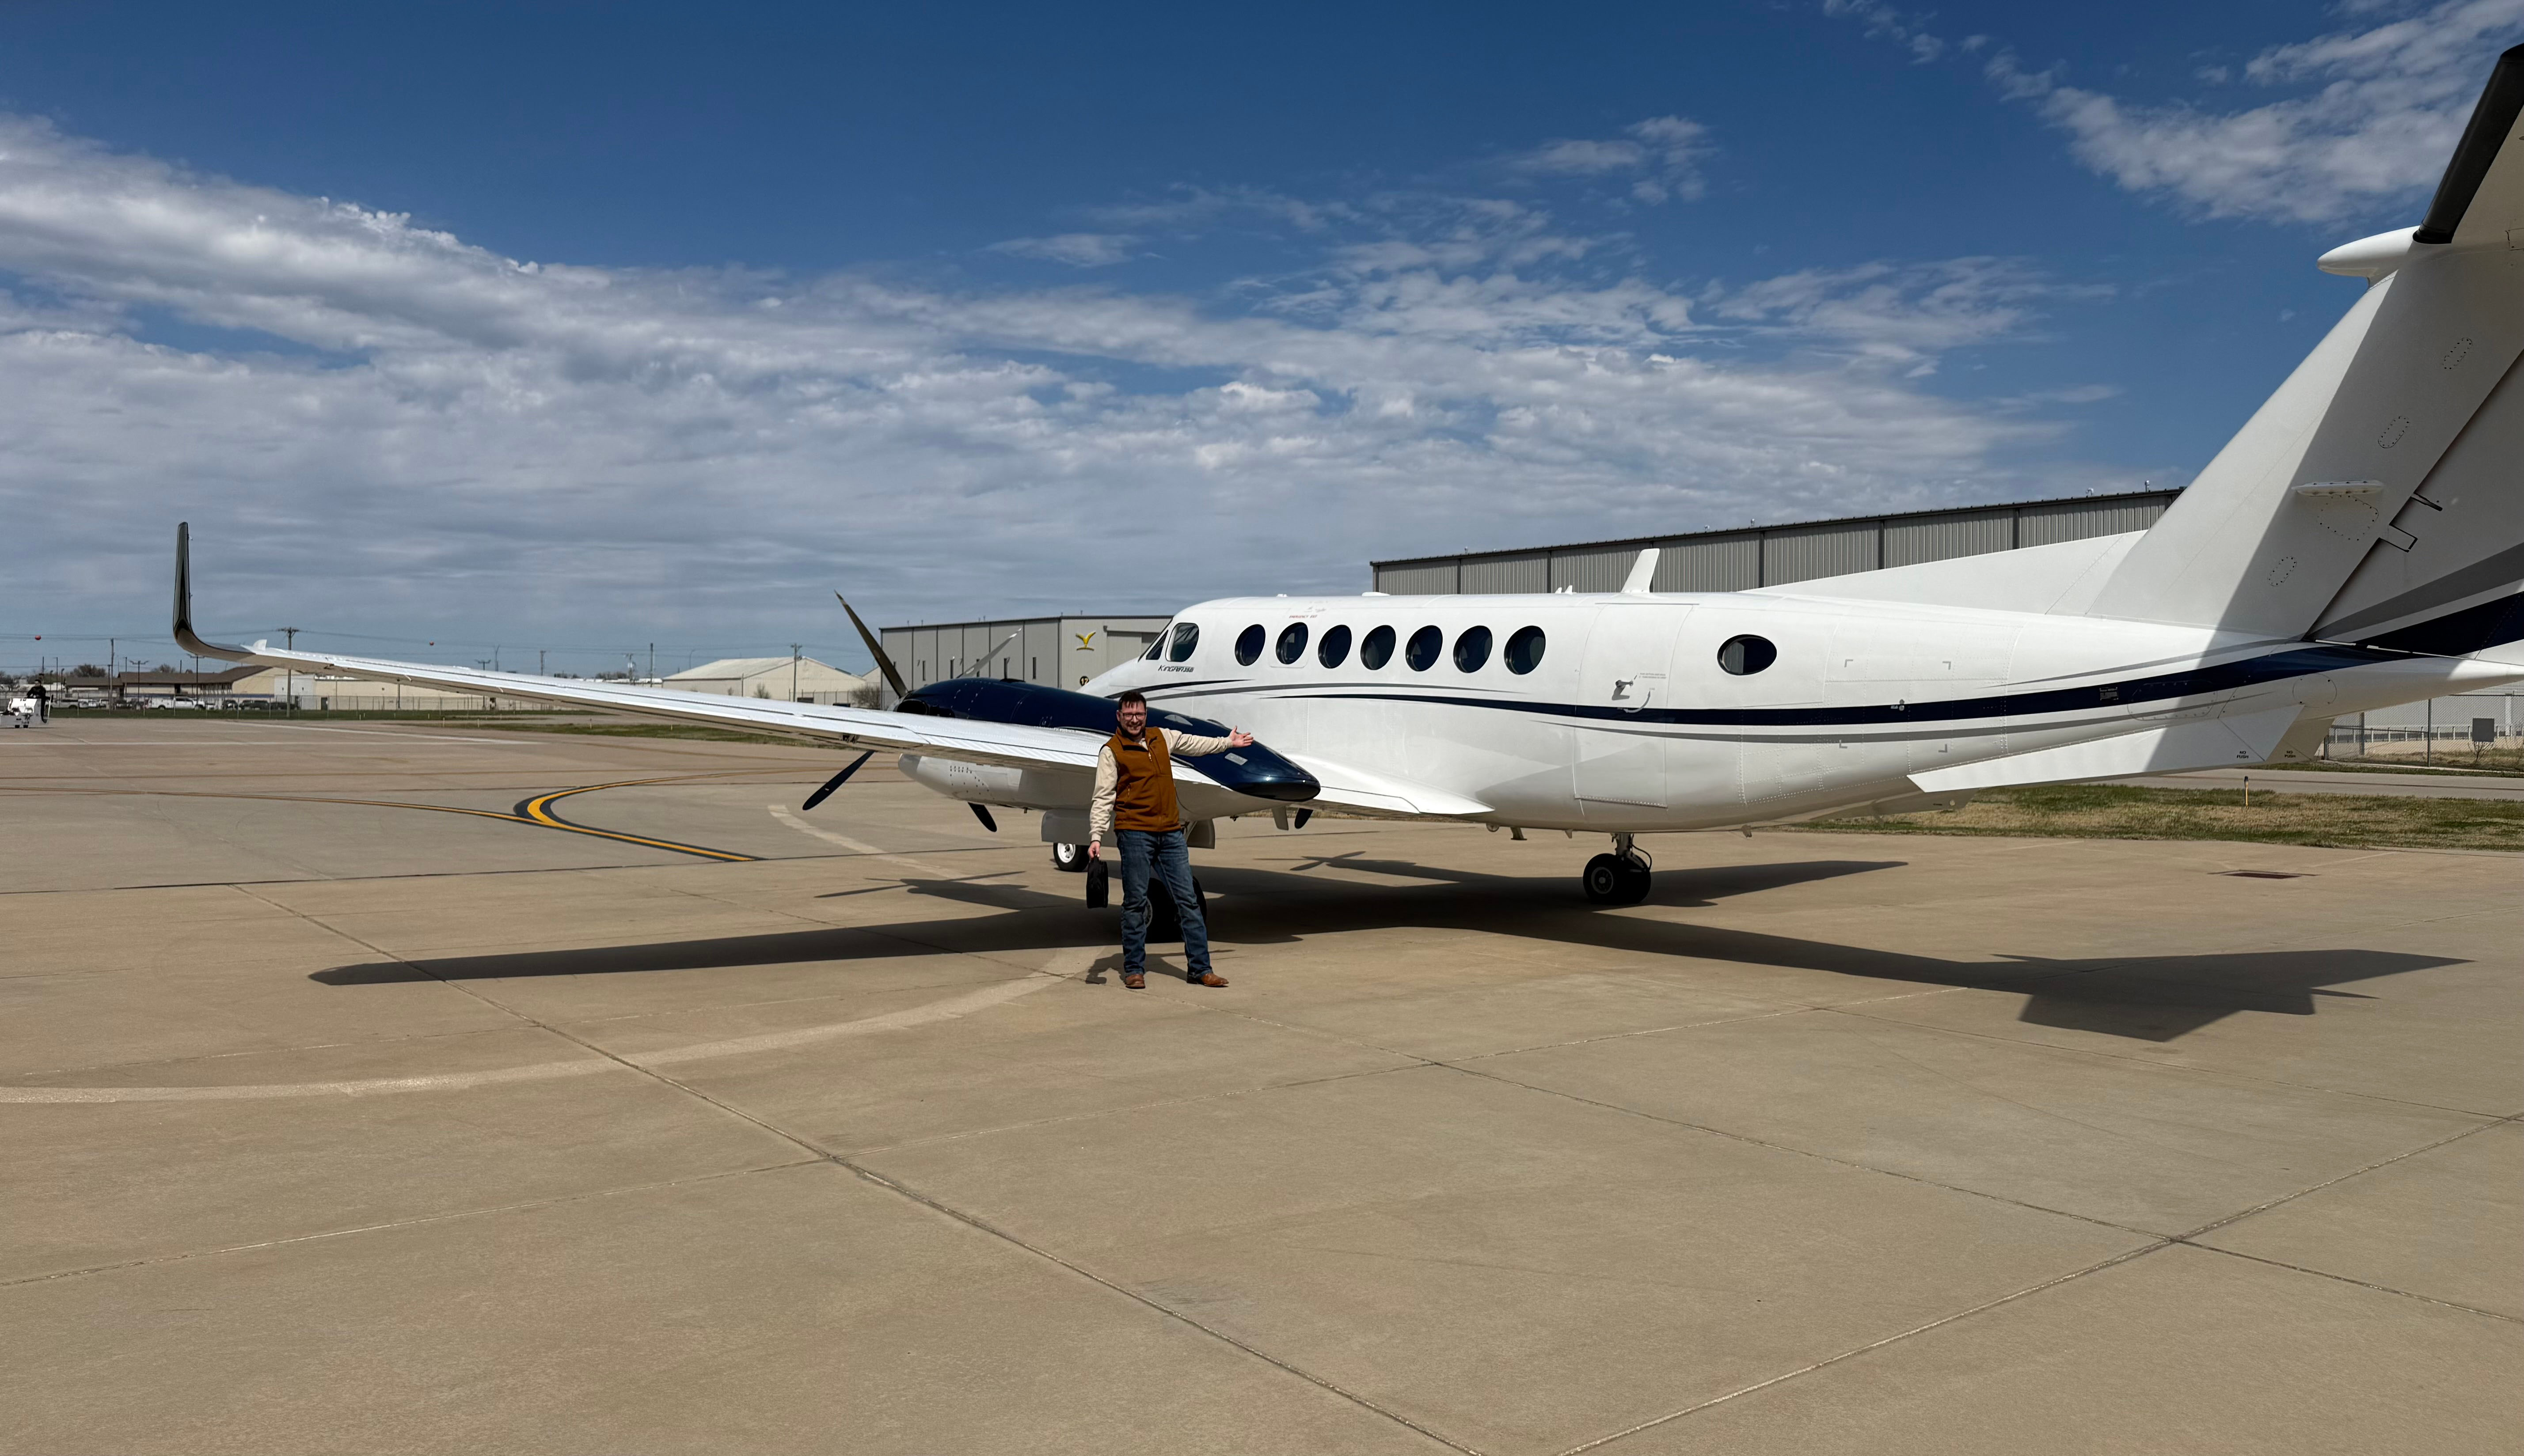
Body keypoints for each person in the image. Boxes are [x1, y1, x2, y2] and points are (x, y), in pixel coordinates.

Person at [1088, 690, 1253, 990]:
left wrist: (1228, 743)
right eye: (1129, 715)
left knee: (1188, 900)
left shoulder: (1161, 737)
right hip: (1135, 832)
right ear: (1119, 717)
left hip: (1171, 833)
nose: (1135, 720)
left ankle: (1201, 970)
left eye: (1139, 714)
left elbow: (1194, 744)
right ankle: (1135, 969)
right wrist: (1096, 835)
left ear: (1146, 715)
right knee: (1135, 903)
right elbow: (1103, 796)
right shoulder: (1111, 751)